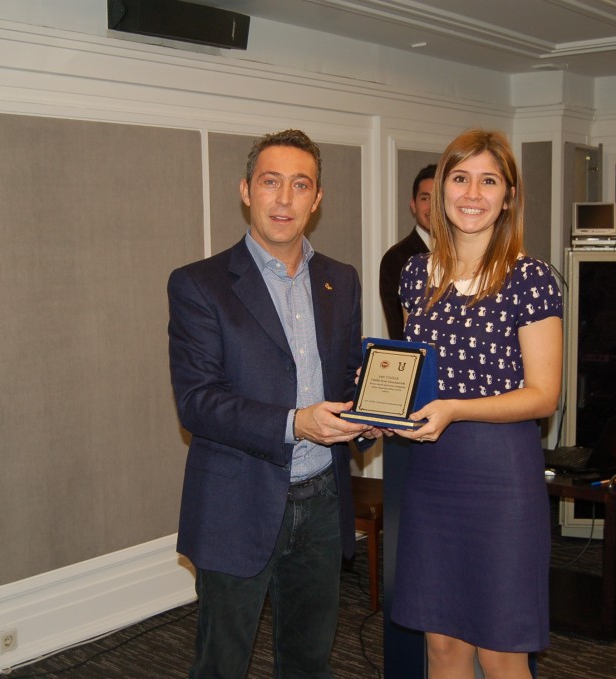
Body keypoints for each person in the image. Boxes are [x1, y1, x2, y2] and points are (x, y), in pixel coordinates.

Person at [167, 129, 378, 679]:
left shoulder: (340, 280)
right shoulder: (199, 285)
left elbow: (345, 378)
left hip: (323, 502)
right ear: (246, 190)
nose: (285, 199)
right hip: (237, 503)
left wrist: (368, 416)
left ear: (317, 198)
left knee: (309, 662)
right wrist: (295, 423)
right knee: (221, 665)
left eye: (300, 185)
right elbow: (197, 402)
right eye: (270, 182)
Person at [391, 129, 563, 679]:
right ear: (441, 189)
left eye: (489, 181)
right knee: (443, 645)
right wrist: (382, 411)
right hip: (431, 475)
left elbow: (544, 395)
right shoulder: (414, 274)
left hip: (500, 478)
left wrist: (456, 408)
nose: (472, 193)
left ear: (508, 196)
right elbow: (414, 374)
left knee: (501, 650)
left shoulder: (530, 279)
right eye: (460, 178)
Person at [379, 164, 436, 340]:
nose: (433, 207)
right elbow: (398, 333)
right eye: (425, 198)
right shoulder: (396, 259)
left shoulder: (465, 256)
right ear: (413, 204)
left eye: (439, 198)